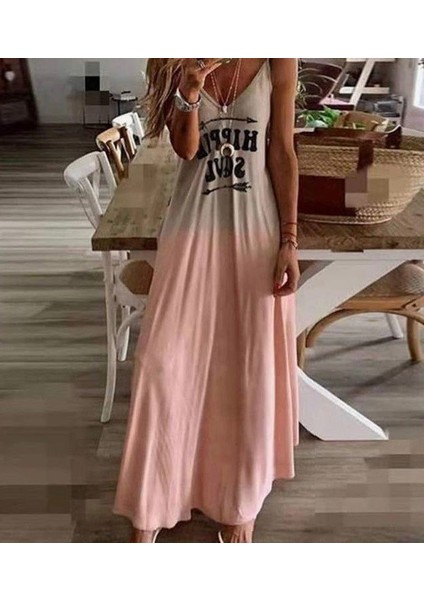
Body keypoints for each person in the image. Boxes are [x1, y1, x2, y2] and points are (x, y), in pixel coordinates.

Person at [112, 58, 300, 543]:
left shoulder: (278, 55)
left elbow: (281, 151)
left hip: (255, 233)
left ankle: (239, 503)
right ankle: (153, 501)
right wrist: (190, 90)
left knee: (247, 366)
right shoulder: (178, 57)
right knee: (161, 363)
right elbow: (188, 149)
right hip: (191, 229)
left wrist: (289, 239)